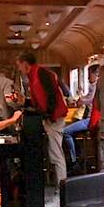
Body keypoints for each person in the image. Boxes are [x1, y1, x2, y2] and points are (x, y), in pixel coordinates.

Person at [16, 50, 69, 184]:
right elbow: (41, 100)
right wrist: (26, 102)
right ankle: (59, 189)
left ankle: (62, 192)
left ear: (25, 64)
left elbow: (52, 94)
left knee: (56, 155)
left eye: (19, 65)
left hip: (54, 119)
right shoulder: (34, 75)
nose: (19, 69)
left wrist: (49, 115)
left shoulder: (41, 73)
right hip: (49, 118)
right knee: (54, 155)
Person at [61, 63, 101, 167]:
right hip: (88, 118)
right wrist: (81, 98)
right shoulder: (94, 86)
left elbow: (89, 99)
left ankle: (74, 160)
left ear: (97, 74)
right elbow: (87, 98)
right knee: (70, 131)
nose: (88, 78)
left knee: (65, 132)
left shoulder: (97, 86)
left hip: (91, 120)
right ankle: (78, 155)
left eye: (90, 74)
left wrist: (80, 101)